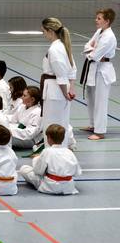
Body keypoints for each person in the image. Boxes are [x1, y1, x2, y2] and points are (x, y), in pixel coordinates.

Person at [40, 17, 77, 149]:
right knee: (62, 122)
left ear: (50, 31)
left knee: (51, 124)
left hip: (56, 90)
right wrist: (71, 89)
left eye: (44, 31)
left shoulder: (55, 49)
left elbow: (61, 75)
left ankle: (52, 153)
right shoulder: (63, 46)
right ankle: (61, 150)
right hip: (61, 89)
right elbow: (72, 69)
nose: (43, 34)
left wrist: (65, 93)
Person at [81, 8, 116, 140]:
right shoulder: (99, 31)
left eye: (99, 18)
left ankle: (100, 131)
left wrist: (92, 51)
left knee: (100, 102)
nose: (96, 20)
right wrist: (92, 50)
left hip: (103, 70)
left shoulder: (109, 37)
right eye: (96, 18)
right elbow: (86, 46)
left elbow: (95, 55)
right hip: (94, 68)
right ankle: (93, 125)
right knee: (91, 98)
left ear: (107, 21)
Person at [18, 124, 81, 195]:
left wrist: (36, 158)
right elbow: (77, 173)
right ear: (63, 138)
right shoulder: (69, 152)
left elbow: (38, 171)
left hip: (50, 186)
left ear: (49, 138)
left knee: (24, 169)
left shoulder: (47, 151)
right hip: (69, 187)